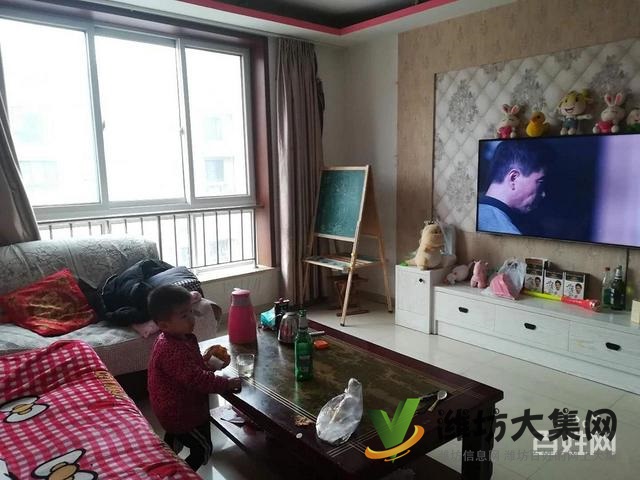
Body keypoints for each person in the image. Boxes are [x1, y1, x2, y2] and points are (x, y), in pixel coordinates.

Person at [147, 285, 242, 471]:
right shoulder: (172, 349)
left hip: (171, 408)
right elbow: (197, 379)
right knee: (202, 448)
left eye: (191, 311)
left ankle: (167, 461)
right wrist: (226, 384)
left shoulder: (180, 338)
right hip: (182, 413)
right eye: (184, 315)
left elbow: (188, 371)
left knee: (175, 437)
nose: (192, 318)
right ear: (164, 325)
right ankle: (181, 475)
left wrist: (208, 366)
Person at [478, 141, 551, 234]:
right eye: (540, 182)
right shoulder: (507, 231)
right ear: (513, 178)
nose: (543, 194)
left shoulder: (471, 211)